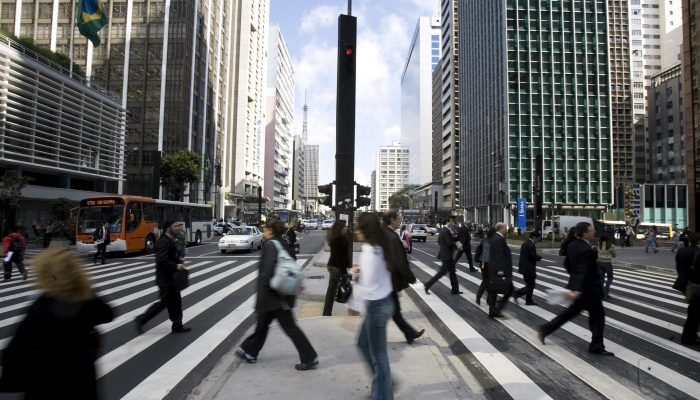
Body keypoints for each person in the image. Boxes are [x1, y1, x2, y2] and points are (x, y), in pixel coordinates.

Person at [0, 248, 113, 398]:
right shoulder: (87, 301)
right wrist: (85, 288)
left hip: (44, 386)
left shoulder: (40, 307)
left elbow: (14, 352)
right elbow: (108, 314)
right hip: (81, 383)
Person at [236, 218, 318, 370]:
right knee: (262, 325)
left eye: (264, 229)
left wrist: (265, 291)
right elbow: (293, 259)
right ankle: (250, 352)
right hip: (280, 294)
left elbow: (266, 272)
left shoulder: (270, 245)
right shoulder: (283, 243)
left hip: (274, 295)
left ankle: (310, 357)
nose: (263, 232)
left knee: (290, 328)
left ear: (269, 230)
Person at [539, 222, 613, 356]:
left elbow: (568, 264)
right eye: (591, 231)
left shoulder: (573, 245)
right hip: (589, 290)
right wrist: (577, 290)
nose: (594, 233)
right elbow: (583, 270)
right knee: (598, 317)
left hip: (582, 288)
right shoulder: (585, 249)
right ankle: (596, 346)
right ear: (585, 233)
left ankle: (546, 329)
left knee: (570, 313)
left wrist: (574, 282)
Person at [353, 213, 394, 399]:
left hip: (376, 306)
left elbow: (366, 285)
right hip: (384, 301)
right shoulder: (380, 246)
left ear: (365, 229)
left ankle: (382, 394)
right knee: (363, 344)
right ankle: (385, 383)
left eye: (358, 227)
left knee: (379, 356)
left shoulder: (370, 249)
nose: (356, 230)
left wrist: (353, 306)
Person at [134, 221, 191, 334]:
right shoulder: (164, 241)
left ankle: (177, 325)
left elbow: (170, 256)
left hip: (171, 278)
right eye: (175, 226)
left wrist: (179, 261)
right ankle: (141, 319)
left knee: (176, 302)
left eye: (179, 226)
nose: (178, 228)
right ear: (168, 228)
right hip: (165, 279)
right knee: (163, 303)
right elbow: (161, 260)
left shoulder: (170, 239)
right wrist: (176, 265)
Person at [382, 211, 424, 344]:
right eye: (398, 219)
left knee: (394, 310)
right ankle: (369, 337)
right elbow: (399, 261)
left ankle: (409, 333)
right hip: (389, 279)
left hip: (385, 279)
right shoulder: (392, 237)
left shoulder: (383, 233)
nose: (400, 221)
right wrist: (410, 277)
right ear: (392, 220)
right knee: (389, 310)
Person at [672, 233, 700, 345]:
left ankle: (691, 335)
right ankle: (689, 337)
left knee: (694, 310)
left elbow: (678, 268)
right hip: (696, 284)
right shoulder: (698, 252)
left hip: (685, 283)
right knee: (695, 312)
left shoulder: (681, 251)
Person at [424, 219, 461, 295]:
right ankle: (428, 284)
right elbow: (449, 242)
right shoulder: (446, 231)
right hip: (446, 255)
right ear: (448, 222)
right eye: (452, 221)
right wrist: (457, 246)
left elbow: (440, 241)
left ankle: (455, 290)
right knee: (442, 272)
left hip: (446, 254)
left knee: (452, 272)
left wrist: (453, 239)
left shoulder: (443, 230)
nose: (453, 223)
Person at [486, 223, 513, 317]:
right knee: (508, 289)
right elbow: (499, 255)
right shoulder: (499, 239)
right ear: (501, 228)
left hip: (494, 268)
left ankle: (493, 310)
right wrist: (500, 269)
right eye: (505, 228)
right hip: (499, 269)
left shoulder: (496, 238)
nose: (507, 229)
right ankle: (495, 310)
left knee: (494, 289)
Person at [323, 220, 350, 316]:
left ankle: (326, 312)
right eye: (345, 227)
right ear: (340, 228)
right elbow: (339, 259)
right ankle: (354, 312)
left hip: (333, 267)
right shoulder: (338, 239)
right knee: (349, 290)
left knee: (331, 291)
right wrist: (344, 272)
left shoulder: (337, 238)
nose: (346, 228)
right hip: (336, 268)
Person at [512, 231, 542, 306]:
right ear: (534, 237)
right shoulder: (531, 245)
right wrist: (539, 257)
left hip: (524, 268)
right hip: (529, 269)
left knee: (530, 284)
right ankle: (516, 294)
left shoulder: (525, 243)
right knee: (531, 286)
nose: (538, 241)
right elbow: (533, 256)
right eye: (538, 239)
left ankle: (529, 300)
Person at [474, 227, 496, 305]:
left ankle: (481, 297)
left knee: (486, 280)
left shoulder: (484, 239)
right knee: (489, 281)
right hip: (490, 263)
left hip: (483, 263)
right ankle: (481, 297)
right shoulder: (494, 241)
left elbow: (478, 249)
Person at [597, 233, 616, 300]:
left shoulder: (599, 244)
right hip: (607, 263)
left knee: (601, 279)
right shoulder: (610, 245)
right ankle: (606, 293)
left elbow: (597, 253)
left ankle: (601, 293)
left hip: (599, 262)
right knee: (610, 277)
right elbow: (614, 255)